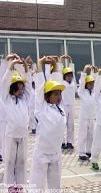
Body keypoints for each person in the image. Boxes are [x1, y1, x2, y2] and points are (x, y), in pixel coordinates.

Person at [30, 56, 66, 190]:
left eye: (59, 94)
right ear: (47, 96)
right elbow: (40, 86)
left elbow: (56, 82)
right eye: (55, 94)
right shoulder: (42, 108)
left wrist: (56, 66)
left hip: (56, 153)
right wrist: (40, 63)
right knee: (36, 186)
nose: (58, 97)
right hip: (42, 153)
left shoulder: (60, 108)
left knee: (55, 186)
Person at [0, 54, 31, 192]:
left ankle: (20, 185)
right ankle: (10, 186)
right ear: (12, 88)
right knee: (10, 161)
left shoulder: (25, 99)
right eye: (18, 87)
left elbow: (30, 87)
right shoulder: (6, 99)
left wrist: (25, 70)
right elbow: (3, 84)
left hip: (23, 135)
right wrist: (10, 68)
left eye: (22, 86)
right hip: (10, 134)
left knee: (22, 161)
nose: (22, 89)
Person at [57, 55, 77, 150]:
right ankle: (61, 142)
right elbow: (60, 72)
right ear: (64, 76)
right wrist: (61, 60)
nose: (69, 77)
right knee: (62, 124)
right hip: (63, 105)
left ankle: (70, 142)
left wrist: (70, 60)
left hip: (72, 106)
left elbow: (71, 69)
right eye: (67, 75)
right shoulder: (62, 82)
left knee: (71, 125)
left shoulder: (73, 83)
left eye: (70, 75)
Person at [77, 64, 97, 160]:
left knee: (91, 135)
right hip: (84, 117)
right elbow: (81, 83)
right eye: (89, 83)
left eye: (92, 83)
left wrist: (96, 72)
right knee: (82, 135)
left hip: (92, 118)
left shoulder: (94, 93)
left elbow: (98, 84)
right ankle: (81, 152)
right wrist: (85, 71)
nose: (91, 85)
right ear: (86, 84)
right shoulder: (82, 92)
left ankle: (89, 151)